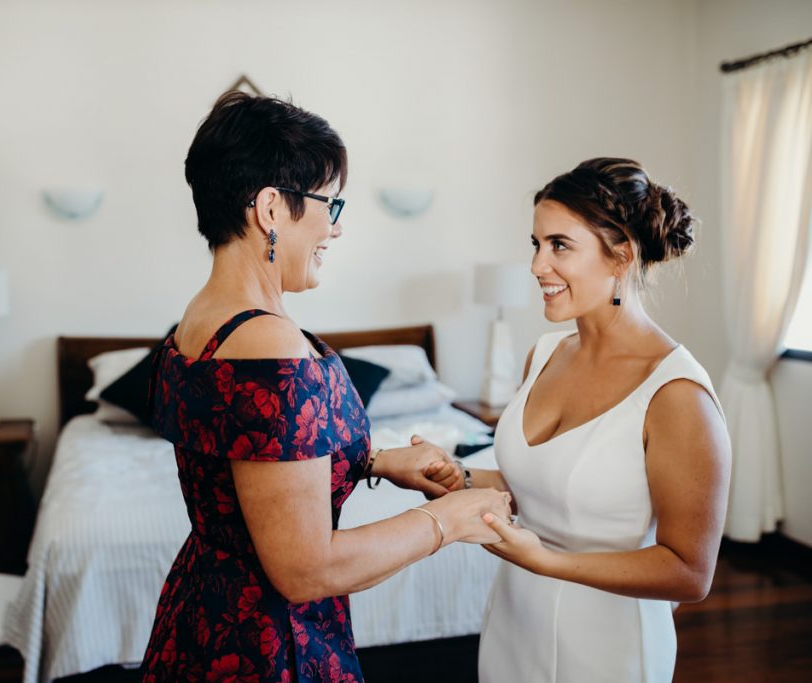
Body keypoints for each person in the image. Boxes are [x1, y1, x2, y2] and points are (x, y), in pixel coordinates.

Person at [140, 91, 511, 683]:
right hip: (270, 645)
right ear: (270, 209)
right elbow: (305, 569)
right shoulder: (274, 349)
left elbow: (248, 458)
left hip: (202, 614)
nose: (334, 230)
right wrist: (452, 521)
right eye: (328, 205)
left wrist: (377, 461)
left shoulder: (199, 321)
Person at [469, 158, 731, 682]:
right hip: (513, 622)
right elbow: (545, 486)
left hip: (607, 646)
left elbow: (689, 572)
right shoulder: (542, 355)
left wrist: (546, 562)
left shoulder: (676, 395)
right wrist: (455, 477)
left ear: (621, 257)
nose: (538, 265)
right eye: (536, 244)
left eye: (559, 245)